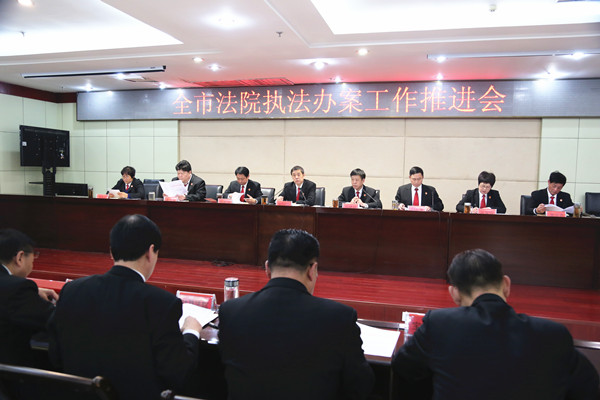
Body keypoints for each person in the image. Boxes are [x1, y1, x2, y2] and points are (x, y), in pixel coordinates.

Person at [392, 249, 599, 400]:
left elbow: (403, 367)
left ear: (454, 293)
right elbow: (589, 388)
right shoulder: (553, 335)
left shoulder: (440, 323)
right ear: (506, 285)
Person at [48, 215, 202, 400]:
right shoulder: (161, 303)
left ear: (111, 252)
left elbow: (55, 356)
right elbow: (177, 373)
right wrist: (192, 332)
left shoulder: (72, 290)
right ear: (150, 251)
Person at [218, 229, 374, 400]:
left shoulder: (230, 311)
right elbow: (361, 386)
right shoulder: (340, 318)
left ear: (267, 268)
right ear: (312, 270)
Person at [0, 229, 57, 367]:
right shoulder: (18, 289)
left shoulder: (15, 288)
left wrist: (32, 294)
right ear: (19, 258)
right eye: (33, 258)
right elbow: (55, 320)